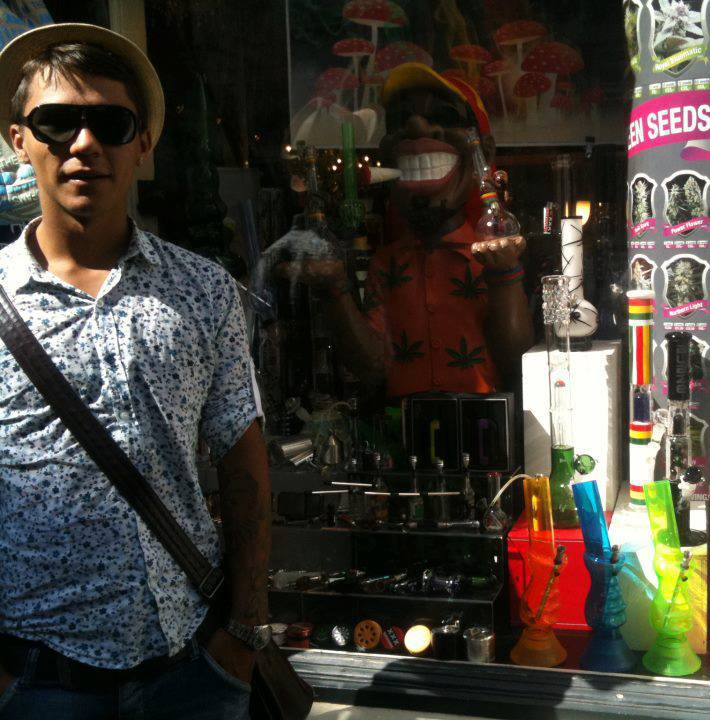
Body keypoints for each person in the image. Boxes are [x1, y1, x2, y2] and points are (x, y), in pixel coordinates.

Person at [0, 23, 271, 720]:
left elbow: (243, 464)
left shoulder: (203, 291)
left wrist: (243, 633)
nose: (84, 144)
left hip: (192, 669)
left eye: (111, 124)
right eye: (57, 122)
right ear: (18, 138)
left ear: (142, 144)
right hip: (35, 678)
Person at [277, 63, 534, 398]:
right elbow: (374, 369)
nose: (416, 127)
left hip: (481, 422)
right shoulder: (387, 264)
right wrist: (336, 290)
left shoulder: (489, 256)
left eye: (443, 116)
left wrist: (504, 277)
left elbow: (517, 366)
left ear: (482, 154)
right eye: (400, 120)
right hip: (404, 425)